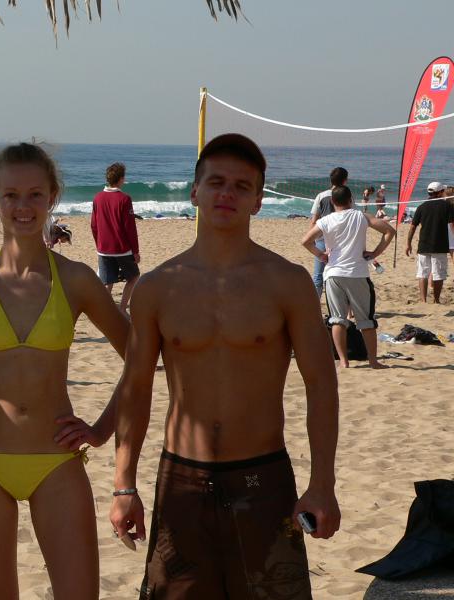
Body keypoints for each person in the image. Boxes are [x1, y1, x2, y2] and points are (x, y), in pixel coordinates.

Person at [110, 134, 340, 599]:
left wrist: (322, 483)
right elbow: (135, 389)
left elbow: (321, 383)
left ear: (258, 201)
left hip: (263, 478)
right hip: (182, 479)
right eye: (216, 182)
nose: (227, 194)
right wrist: (123, 485)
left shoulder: (288, 282)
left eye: (242, 186)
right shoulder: (157, 287)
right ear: (194, 192)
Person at [0, 143, 129, 600]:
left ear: (52, 196)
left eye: (35, 194)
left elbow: (140, 358)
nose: (23, 206)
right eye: (11, 195)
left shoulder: (76, 279)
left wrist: (102, 429)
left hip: (57, 461)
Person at [302, 185, 395, 369]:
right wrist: (375, 253)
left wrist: (321, 255)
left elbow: (305, 241)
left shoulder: (326, 220)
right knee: (366, 320)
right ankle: (373, 361)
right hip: (357, 273)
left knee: (337, 319)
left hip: (333, 274)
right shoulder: (361, 216)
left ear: (332, 202)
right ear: (351, 199)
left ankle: (344, 361)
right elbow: (389, 231)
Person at [90, 162, 140, 313]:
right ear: (121, 179)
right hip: (122, 248)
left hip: (103, 248)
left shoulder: (97, 197)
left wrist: (99, 244)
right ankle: (122, 309)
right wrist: (135, 251)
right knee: (133, 277)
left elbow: (93, 225)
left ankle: (107, 311)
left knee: (107, 281)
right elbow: (130, 228)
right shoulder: (124, 199)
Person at [405, 181, 454, 303]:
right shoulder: (447, 206)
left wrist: (408, 243)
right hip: (439, 245)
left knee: (423, 273)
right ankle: (436, 300)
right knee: (438, 274)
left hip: (424, 245)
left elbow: (412, 227)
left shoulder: (421, 207)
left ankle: (423, 300)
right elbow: (452, 225)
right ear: (440, 192)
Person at [308, 167, 348, 297]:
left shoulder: (321, 195)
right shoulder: (347, 196)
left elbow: (314, 221)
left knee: (318, 277)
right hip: (340, 241)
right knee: (338, 276)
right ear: (345, 180)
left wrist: (312, 239)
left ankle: (316, 306)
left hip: (322, 239)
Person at [445, 185, 454, 264]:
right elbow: (451, 221)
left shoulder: (444, 204)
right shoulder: (451, 205)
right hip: (451, 228)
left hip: (446, 227)